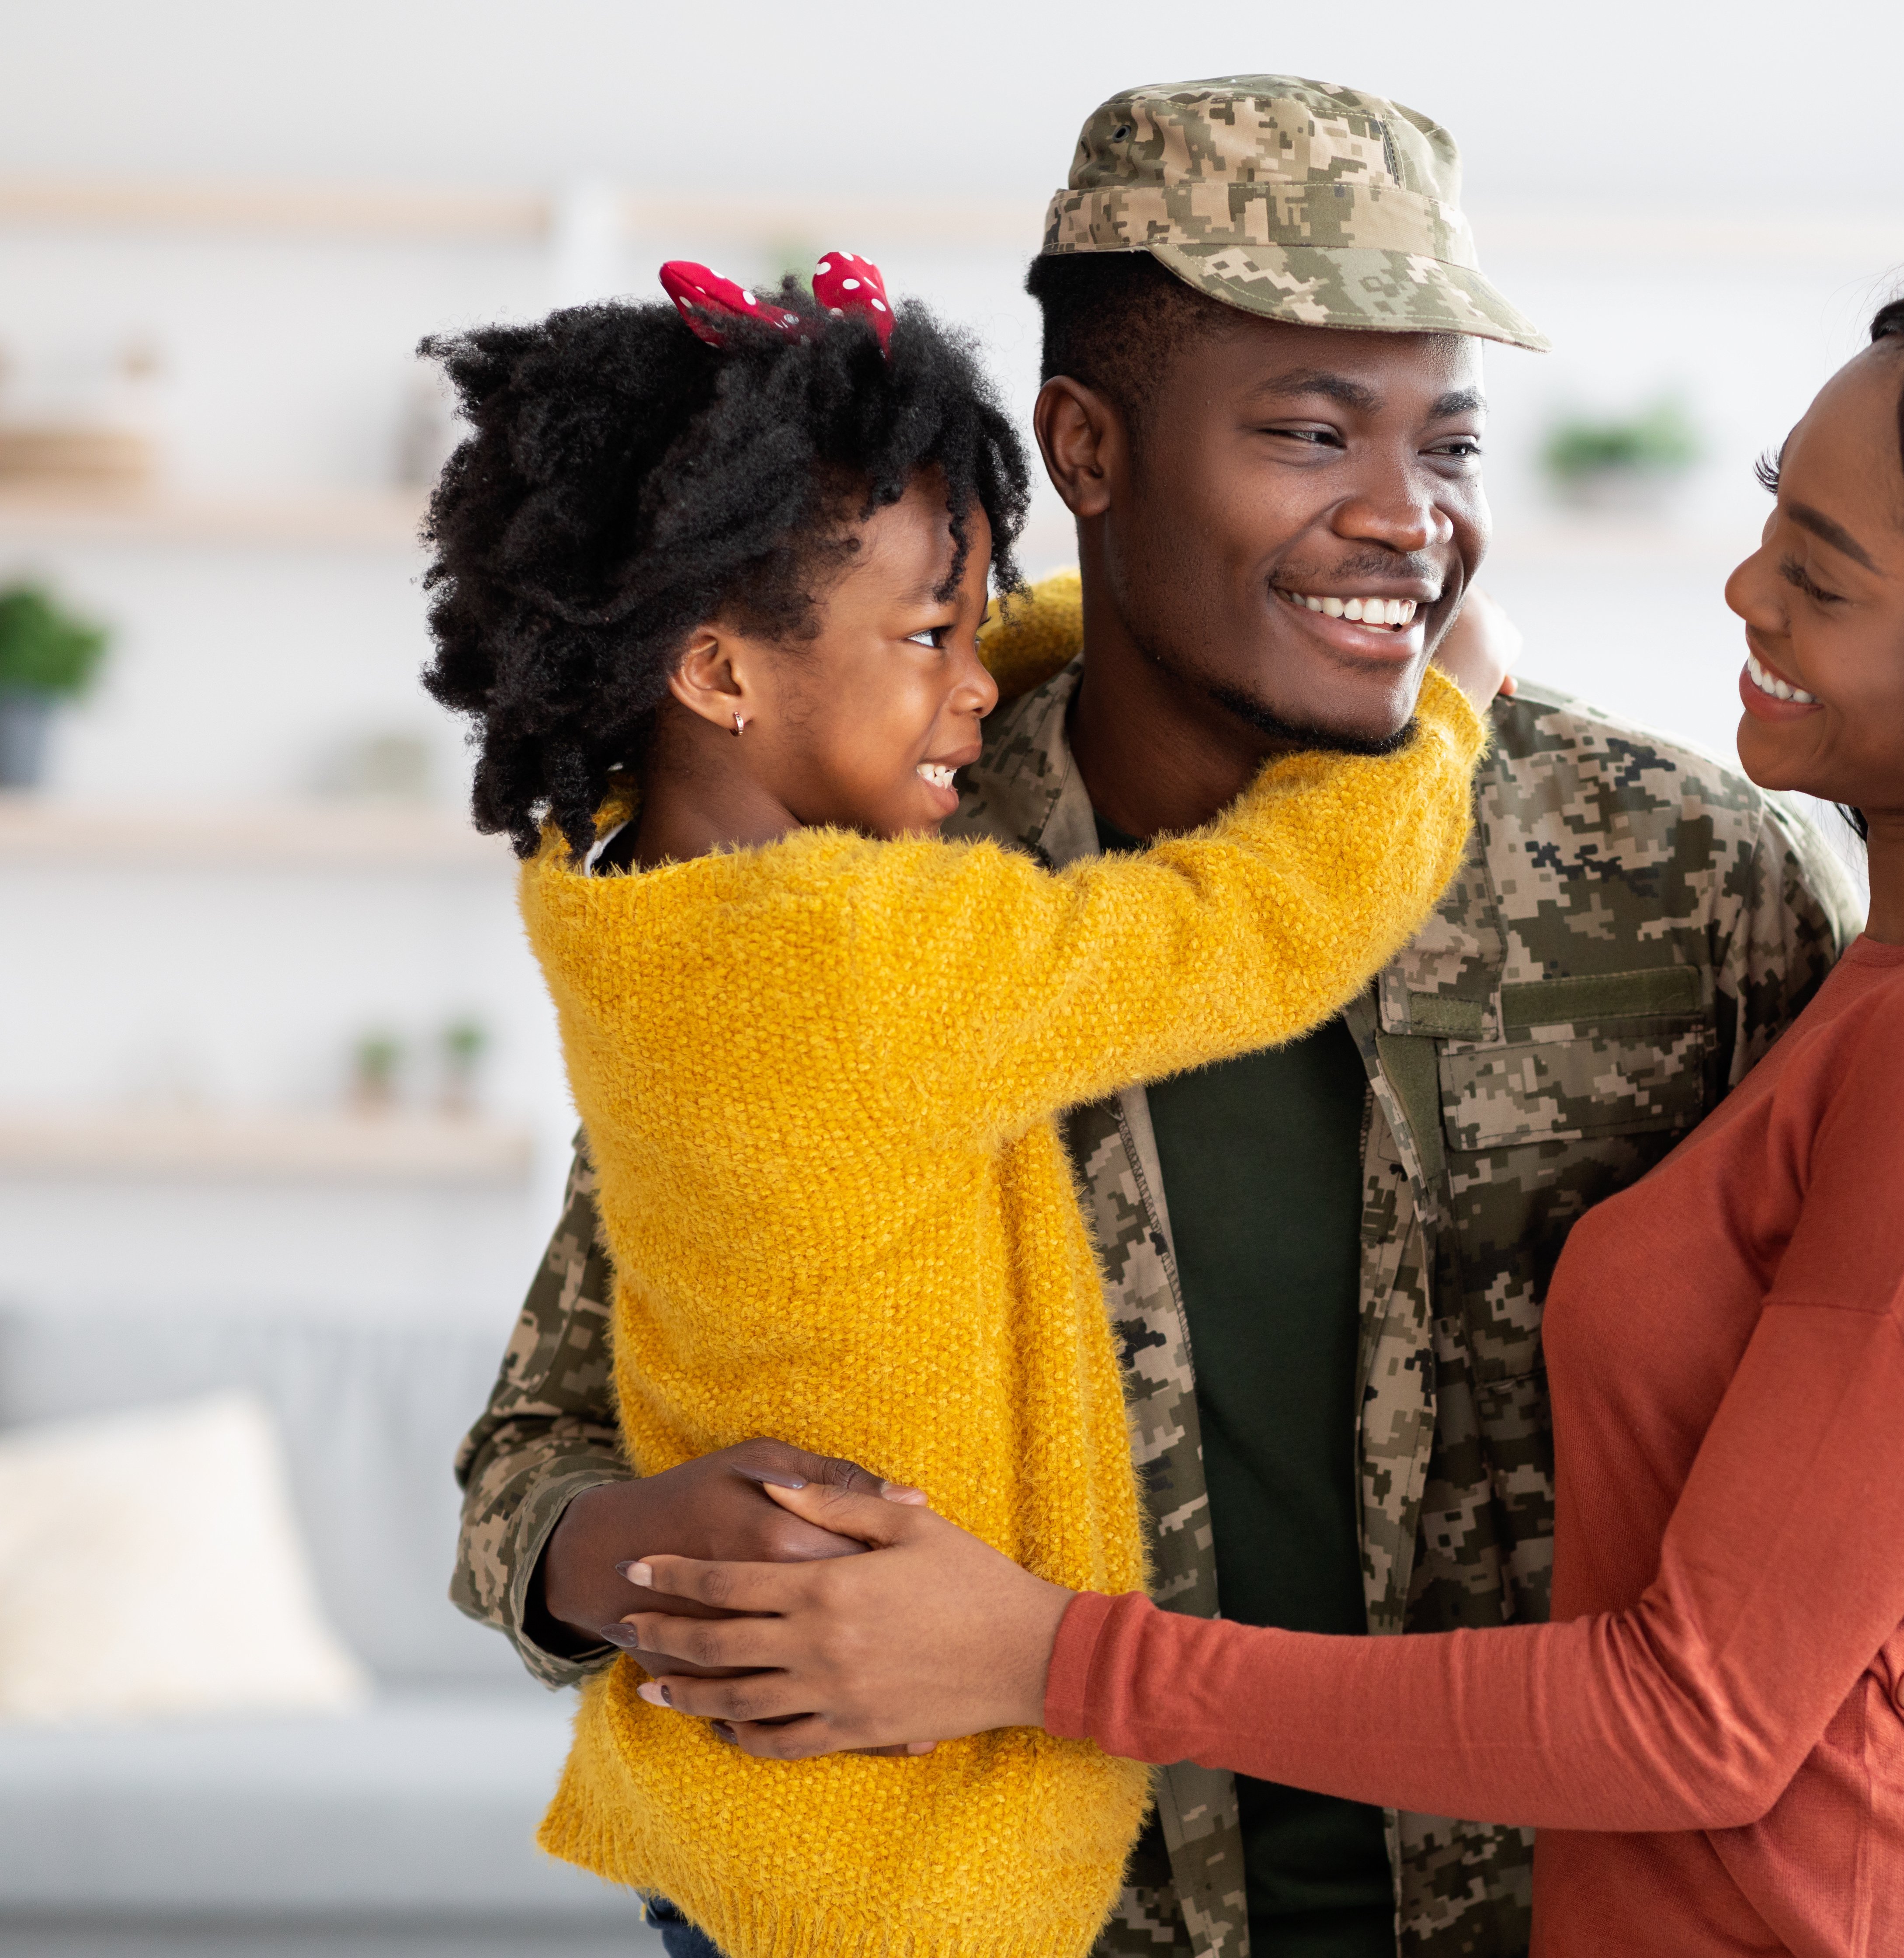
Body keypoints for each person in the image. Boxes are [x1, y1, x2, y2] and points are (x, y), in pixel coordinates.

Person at [451, 79, 1904, 1958]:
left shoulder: (1688, 876)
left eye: (1447, 440)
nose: (1405, 518)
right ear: (1088, 448)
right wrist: (643, 1559)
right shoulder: (865, 894)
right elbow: (537, 1447)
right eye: (1306, 431)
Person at [420, 251, 1501, 1957]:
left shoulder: (641, 882)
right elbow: (1255, 928)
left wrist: (1069, 629)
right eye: (937, 636)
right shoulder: (858, 953)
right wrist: (1441, 719)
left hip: (756, 1830)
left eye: (980, 625)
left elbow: (923, 660)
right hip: (908, 1854)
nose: (980, 684)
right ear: (719, 671)